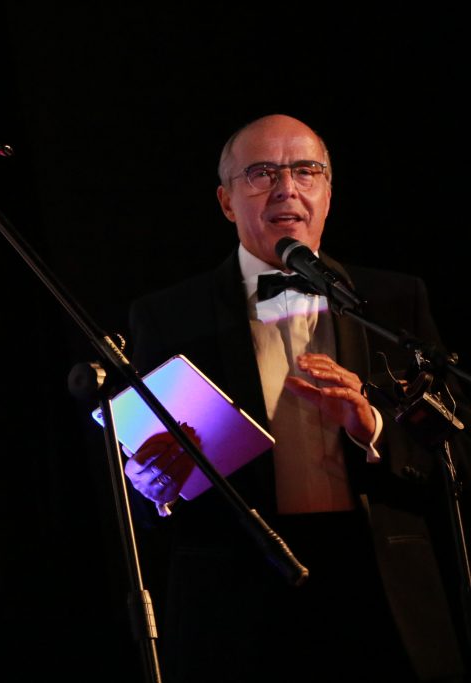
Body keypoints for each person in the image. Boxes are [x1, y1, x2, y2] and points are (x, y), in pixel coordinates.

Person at [122, 114, 465, 682]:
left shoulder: (394, 300)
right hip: (240, 596)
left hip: (379, 585)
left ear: (328, 193)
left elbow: (456, 448)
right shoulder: (168, 316)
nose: (287, 188)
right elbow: (139, 476)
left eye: (306, 171)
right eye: (261, 173)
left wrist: (374, 426)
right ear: (226, 201)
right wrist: (152, 485)